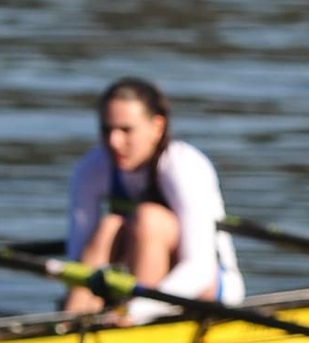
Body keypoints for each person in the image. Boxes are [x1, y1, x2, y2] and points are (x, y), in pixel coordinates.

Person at [63, 77, 243, 324]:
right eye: (107, 130)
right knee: (109, 227)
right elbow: (77, 262)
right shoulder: (91, 168)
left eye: (126, 130)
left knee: (149, 219)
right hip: (143, 289)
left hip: (209, 290)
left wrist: (136, 311)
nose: (114, 141)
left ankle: (133, 329)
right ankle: (70, 324)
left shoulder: (184, 166)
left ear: (157, 127)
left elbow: (200, 270)